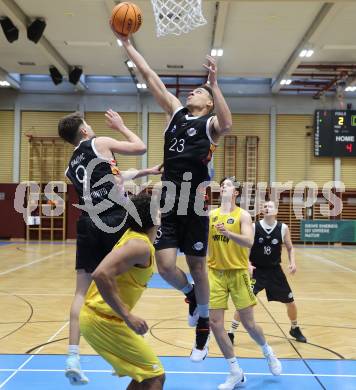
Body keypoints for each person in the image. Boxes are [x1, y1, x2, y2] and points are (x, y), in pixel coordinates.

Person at [116, 31, 232, 362]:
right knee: (165, 266)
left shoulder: (210, 123)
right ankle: (192, 296)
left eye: (200, 91)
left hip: (194, 204)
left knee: (197, 266)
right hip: (168, 200)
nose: (191, 92)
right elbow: (150, 75)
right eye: (193, 89)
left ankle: (203, 331)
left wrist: (214, 82)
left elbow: (227, 123)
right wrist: (128, 46)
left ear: (208, 102)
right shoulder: (176, 111)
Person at [58, 110, 161, 384]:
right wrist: (122, 127)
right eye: (88, 125)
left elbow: (111, 178)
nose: (91, 127)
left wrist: (145, 172)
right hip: (113, 217)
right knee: (129, 270)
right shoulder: (99, 141)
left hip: (87, 220)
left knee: (82, 291)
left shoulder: (70, 166)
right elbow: (140, 147)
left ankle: (72, 356)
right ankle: (121, 343)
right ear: (83, 131)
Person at [80, 192, 165, 390]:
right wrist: (127, 315)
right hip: (102, 319)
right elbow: (100, 274)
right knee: (155, 376)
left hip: (106, 318)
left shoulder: (140, 240)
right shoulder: (139, 245)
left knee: (143, 376)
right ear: (152, 217)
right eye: (158, 210)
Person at [208, 178, 282, 390]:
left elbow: (248, 241)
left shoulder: (243, 215)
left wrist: (228, 233)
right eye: (222, 185)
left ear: (236, 192)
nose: (223, 187)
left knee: (249, 324)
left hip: (238, 273)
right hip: (215, 273)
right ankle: (235, 372)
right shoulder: (211, 216)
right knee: (215, 324)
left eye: (228, 185)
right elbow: (204, 244)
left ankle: (267, 351)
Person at [228, 200, 307, 345]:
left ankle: (294, 328)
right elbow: (245, 247)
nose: (267, 207)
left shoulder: (283, 228)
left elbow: (290, 248)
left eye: (270, 206)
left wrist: (292, 262)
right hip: (256, 271)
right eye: (264, 206)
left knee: (290, 302)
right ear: (261, 211)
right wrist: (247, 264)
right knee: (245, 303)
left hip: (275, 271)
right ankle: (231, 333)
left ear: (276, 211)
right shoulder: (253, 226)